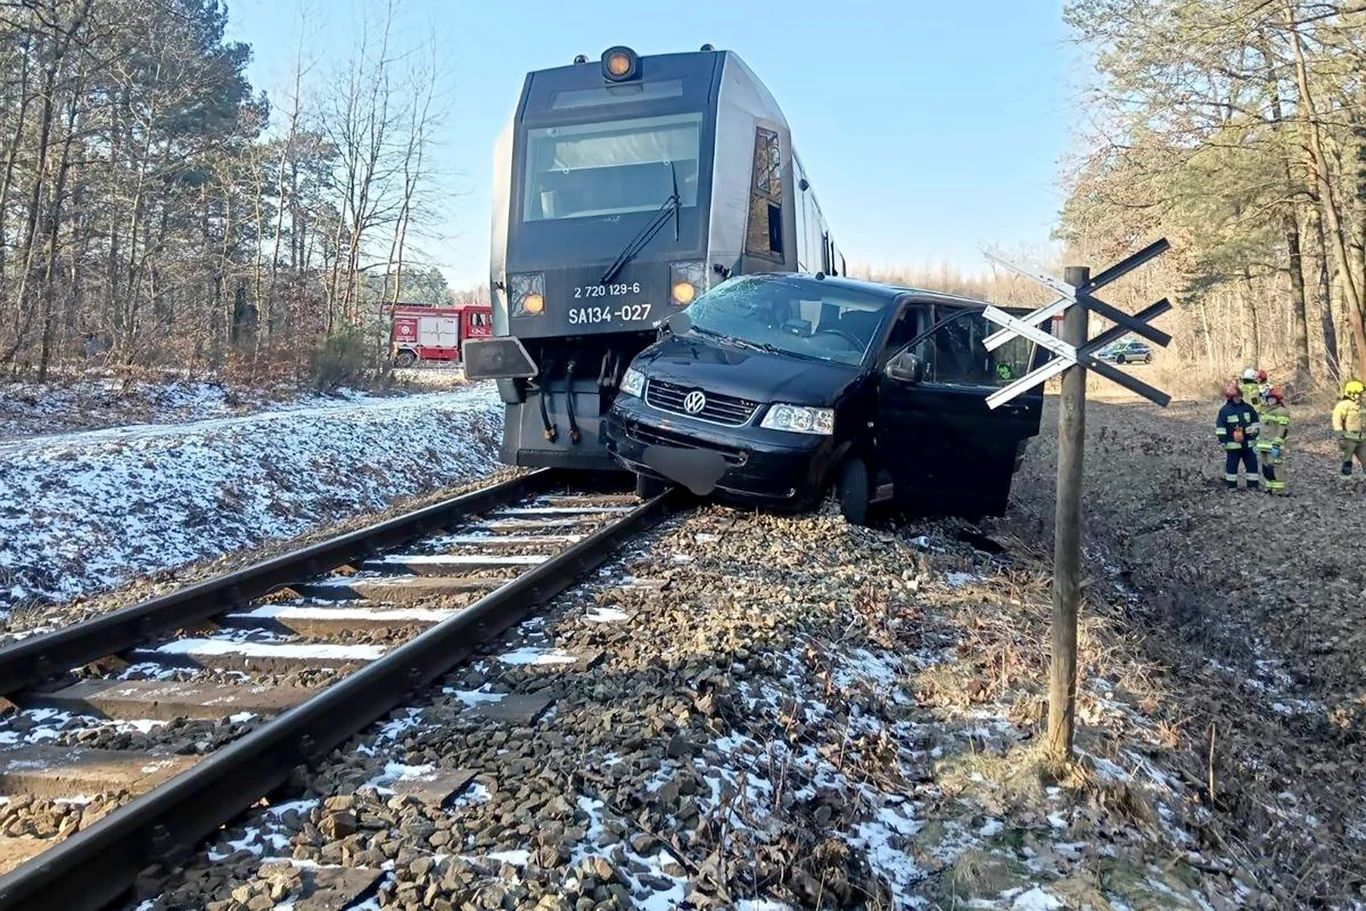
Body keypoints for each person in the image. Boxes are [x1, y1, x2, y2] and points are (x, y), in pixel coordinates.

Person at [1216, 383, 1260, 490]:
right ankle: (1231, 486)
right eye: (1236, 396)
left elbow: (1255, 421)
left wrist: (1254, 431)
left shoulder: (1248, 408)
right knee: (1231, 466)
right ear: (1231, 398)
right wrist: (1223, 440)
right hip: (1232, 444)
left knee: (1252, 465)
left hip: (1248, 443)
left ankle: (1253, 486)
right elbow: (1220, 427)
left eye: (1239, 396)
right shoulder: (1225, 410)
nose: (1238, 398)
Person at [1256, 386, 1290, 495]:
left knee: (1275, 466)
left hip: (1274, 444)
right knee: (1266, 467)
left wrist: (1277, 443)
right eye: (1269, 399)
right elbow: (1262, 428)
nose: (1270, 401)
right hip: (1263, 444)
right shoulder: (1265, 411)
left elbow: (1282, 429)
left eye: (1272, 399)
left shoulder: (1282, 412)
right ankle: (1269, 486)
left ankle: (1279, 489)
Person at [1332, 379, 1364, 482]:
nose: (1361, 395)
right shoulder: (1343, 405)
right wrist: (1340, 437)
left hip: (1362, 438)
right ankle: (1346, 482)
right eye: (1358, 393)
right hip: (1349, 438)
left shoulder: (1362, 405)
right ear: (1351, 393)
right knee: (1347, 461)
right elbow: (1337, 422)